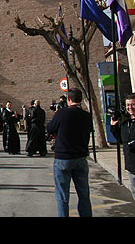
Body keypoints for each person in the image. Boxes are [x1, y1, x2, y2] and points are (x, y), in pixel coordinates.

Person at [46, 87, 93, 217]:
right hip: (80, 158)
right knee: (84, 195)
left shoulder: (62, 113)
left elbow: (50, 128)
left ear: (68, 99)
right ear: (81, 100)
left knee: (62, 197)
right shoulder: (87, 116)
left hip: (63, 158)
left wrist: (57, 114)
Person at [110, 93, 135, 199]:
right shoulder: (126, 123)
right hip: (131, 165)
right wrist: (114, 127)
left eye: (133, 104)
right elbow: (121, 140)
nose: (130, 108)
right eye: (128, 105)